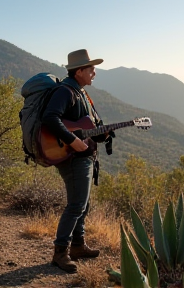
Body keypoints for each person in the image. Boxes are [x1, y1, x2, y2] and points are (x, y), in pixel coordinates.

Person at [41, 49, 108, 273]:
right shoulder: (65, 91)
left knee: (83, 204)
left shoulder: (81, 92)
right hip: (72, 157)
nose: (94, 73)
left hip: (84, 156)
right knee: (76, 206)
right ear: (79, 71)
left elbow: (85, 127)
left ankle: (78, 246)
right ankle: (60, 253)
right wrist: (73, 140)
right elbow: (50, 118)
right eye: (91, 69)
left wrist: (102, 134)